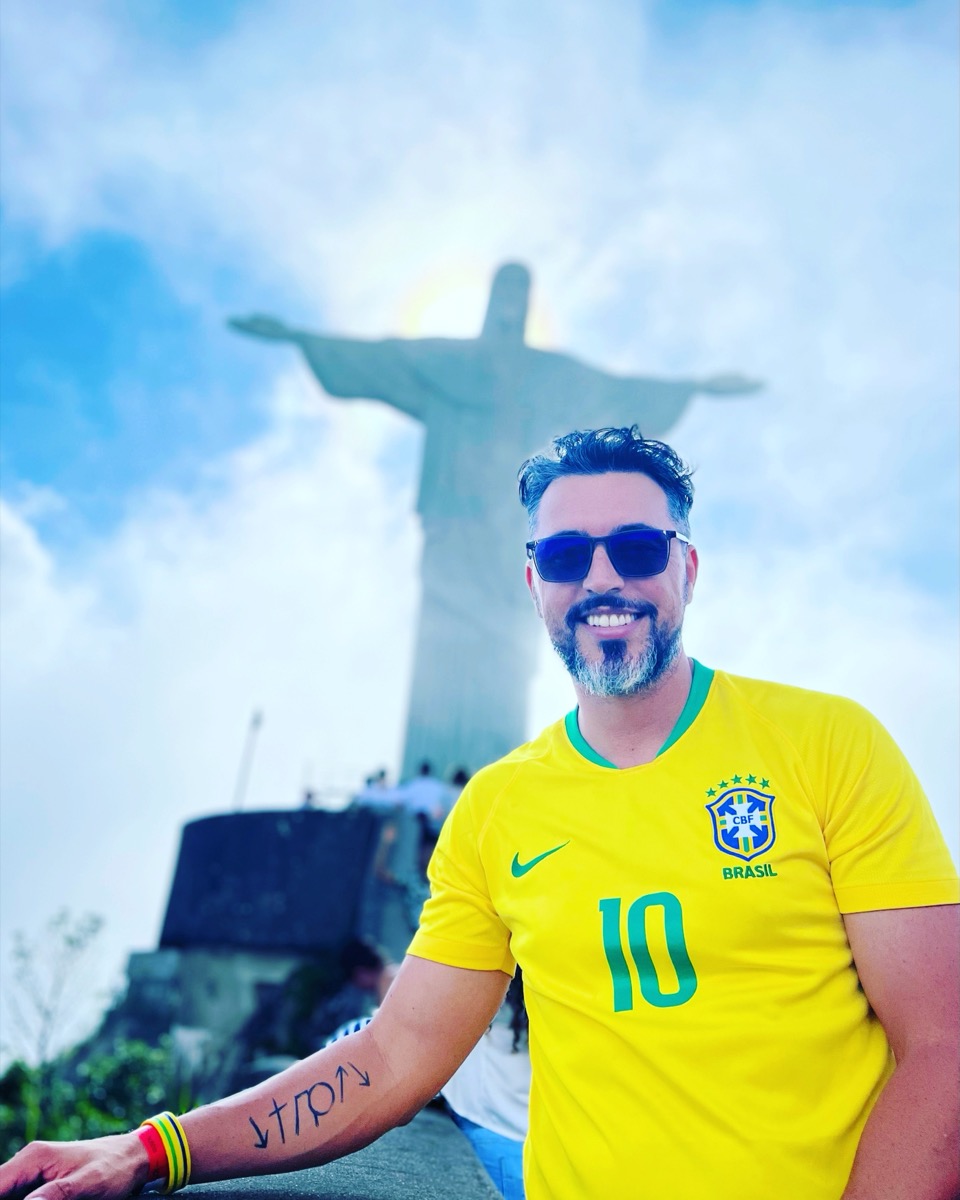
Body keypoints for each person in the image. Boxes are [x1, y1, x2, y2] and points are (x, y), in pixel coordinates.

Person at [1, 426, 957, 1200]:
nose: (603, 581)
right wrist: (155, 1147)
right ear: (534, 581)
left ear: (688, 569)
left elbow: (942, 1042)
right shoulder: (499, 808)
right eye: (565, 555)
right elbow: (395, 1055)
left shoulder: (827, 744)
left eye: (635, 548)